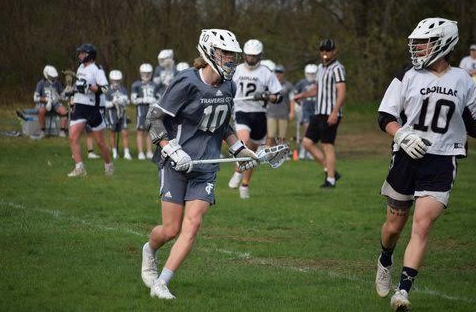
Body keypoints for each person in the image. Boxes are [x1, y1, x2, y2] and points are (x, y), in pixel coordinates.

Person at [140, 29, 258, 299]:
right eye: (224, 53)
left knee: (192, 225)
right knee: (170, 230)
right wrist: (171, 149)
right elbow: (153, 118)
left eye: (232, 54)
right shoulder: (186, 82)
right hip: (176, 164)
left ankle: (162, 283)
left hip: (205, 168)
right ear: (208, 52)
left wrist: (239, 148)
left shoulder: (230, 86)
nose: (230, 59)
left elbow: (222, 124)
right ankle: (149, 249)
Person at [374, 18, 476, 311]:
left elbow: (473, 123)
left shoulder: (463, 80)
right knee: (394, 227)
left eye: (423, 43)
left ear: (443, 44)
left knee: (422, 225)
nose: (417, 49)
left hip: (442, 161)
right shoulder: (407, 74)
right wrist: (402, 134)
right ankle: (385, 258)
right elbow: (385, 116)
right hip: (406, 157)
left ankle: (403, 292)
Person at [227, 39, 282, 199]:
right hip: (242, 111)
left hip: (259, 115)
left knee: (252, 154)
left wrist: (266, 95)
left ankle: (244, 183)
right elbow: (226, 87)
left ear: (260, 56)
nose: (251, 59)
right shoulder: (236, 71)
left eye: (254, 56)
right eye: (249, 56)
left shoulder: (266, 72)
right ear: (244, 55)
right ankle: (238, 170)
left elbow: (278, 96)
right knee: (243, 141)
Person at [293, 39, 346, 188]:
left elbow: (342, 92)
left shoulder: (337, 68)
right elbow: (317, 89)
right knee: (307, 143)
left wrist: (335, 112)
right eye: (322, 50)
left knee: (327, 145)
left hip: (330, 112)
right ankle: (332, 171)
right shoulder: (320, 68)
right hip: (319, 112)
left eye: (328, 50)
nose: (325, 53)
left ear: (334, 51)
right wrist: (301, 96)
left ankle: (330, 179)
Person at [67, 43, 113, 177]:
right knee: (72, 136)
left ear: (90, 55)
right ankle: (79, 168)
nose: (80, 55)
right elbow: (80, 86)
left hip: (93, 108)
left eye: (82, 53)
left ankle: (108, 165)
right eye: (79, 53)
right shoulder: (81, 67)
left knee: (100, 142)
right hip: (80, 106)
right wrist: (72, 91)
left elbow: (104, 88)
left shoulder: (97, 69)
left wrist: (89, 87)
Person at [131, 63, 161, 160]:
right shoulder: (136, 84)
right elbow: (133, 99)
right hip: (141, 111)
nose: (146, 75)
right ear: (141, 73)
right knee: (140, 131)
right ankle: (140, 152)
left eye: (148, 73)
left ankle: (149, 151)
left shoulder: (155, 85)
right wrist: (144, 100)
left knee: (149, 131)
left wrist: (154, 100)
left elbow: (160, 98)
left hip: (151, 111)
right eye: (144, 73)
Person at [33, 65, 68, 138]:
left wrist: (62, 96)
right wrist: (46, 99)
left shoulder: (57, 83)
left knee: (64, 111)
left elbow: (63, 96)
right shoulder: (41, 83)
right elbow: (35, 97)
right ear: (46, 75)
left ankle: (62, 131)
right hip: (44, 103)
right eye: (51, 77)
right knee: (41, 111)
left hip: (55, 103)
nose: (53, 78)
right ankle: (43, 131)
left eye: (54, 77)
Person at [105, 70, 132, 160]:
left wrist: (123, 101)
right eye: (114, 80)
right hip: (112, 114)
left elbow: (128, 101)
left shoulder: (123, 89)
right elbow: (105, 104)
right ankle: (114, 152)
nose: (116, 82)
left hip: (122, 114)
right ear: (111, 80)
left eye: (117, 80)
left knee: (124, 133)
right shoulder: (107, 90)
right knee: (112, 133)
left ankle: (126, 152)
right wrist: (113, 102)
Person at [266, 64, 295, 146]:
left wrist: (292, 112)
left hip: (284, 114)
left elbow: (292, 99)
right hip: (271, 114)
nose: (278, 74)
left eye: (280, 72)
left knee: (281, 137)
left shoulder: (288, 85)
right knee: (270, 136)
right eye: (277, 72)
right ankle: (268, 154)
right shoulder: (269, 84)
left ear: (283, 73)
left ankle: (279, 155)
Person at [294, 64, 318, 159]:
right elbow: (295, 92)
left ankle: (310, 151)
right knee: (307, 130)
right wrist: (297, 102)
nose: (311, 76)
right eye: (309, 73)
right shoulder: (302, 82)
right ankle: (304, 150)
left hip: (316, 110)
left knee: (314, 132)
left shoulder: (318, 82)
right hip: (306, 110)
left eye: (313, 74)